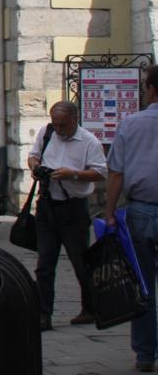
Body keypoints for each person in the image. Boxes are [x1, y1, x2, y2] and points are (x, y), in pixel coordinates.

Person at [29, 100, 107, 331]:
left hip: (73, 208)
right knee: (44, 263)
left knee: (81, 262)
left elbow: (101, 172)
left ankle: (90, 308)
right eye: (56, 124)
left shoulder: (88, 141)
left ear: (74, 119)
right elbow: (33, 155)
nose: (59, 129)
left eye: (63, 125)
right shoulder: (47, 132)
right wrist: (35, 166)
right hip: (47, 206)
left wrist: (73, 174)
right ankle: (44, 314)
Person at [105, 65, 158, 372]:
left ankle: (146, 353)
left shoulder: (130, 124)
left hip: (140, 210)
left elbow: (116, 174)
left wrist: (110, 213)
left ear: (150, 89)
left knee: (143, 284)